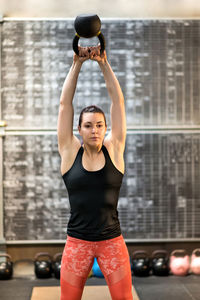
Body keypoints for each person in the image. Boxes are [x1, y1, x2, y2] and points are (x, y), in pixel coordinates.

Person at [57, 44, 133, 300]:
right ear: (79, 129)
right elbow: (64, 103)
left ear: (105, 128)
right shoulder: (69, 152)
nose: (95, 130)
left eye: (99, 125)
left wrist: (103, 62)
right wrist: (77, 63)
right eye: (88, 126)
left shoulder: (115, 150)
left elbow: (118, 101)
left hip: (112, 241)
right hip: (77, 242)